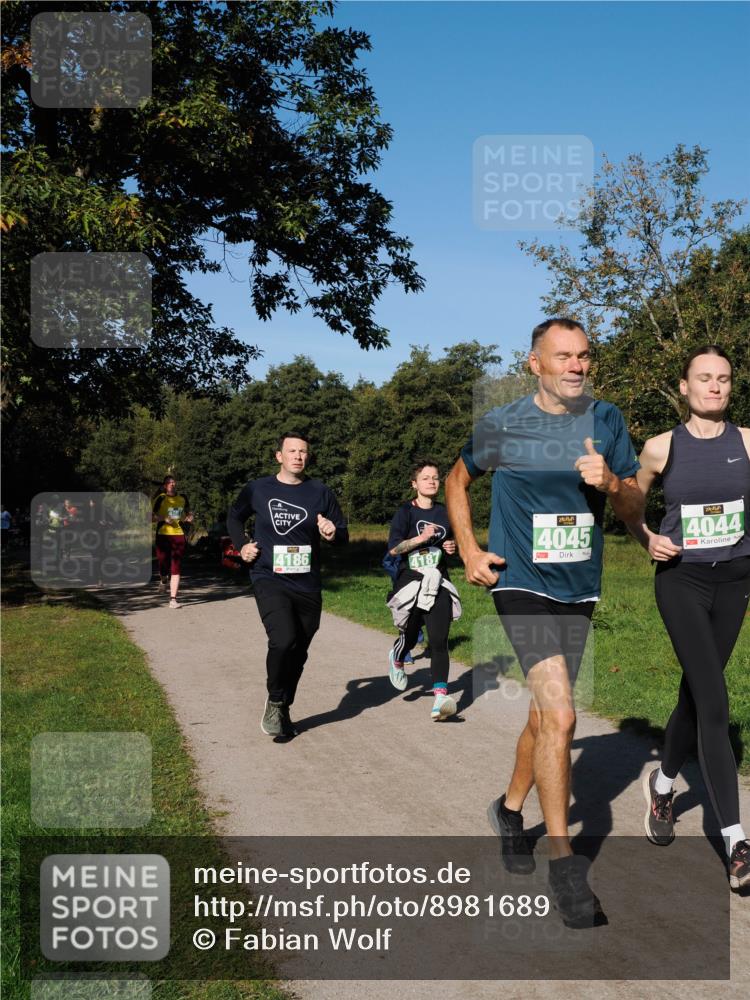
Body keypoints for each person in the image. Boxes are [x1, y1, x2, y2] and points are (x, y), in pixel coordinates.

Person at [446, 317, 643, 928]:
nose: (576, 366)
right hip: (521, 585)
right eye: (563, 357)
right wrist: (472, 550)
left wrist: (611, 482)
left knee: (540, 716)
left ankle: (509, 809)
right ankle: (566, 868)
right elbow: (457, 481)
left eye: (584, 356)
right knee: (561, 713)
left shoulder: (607, 420)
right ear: (535, 363)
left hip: (579, 589)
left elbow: (636, 498)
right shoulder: (504, 424)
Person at [624, 345, 750, 889]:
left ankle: (664, 781)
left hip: (736, 578)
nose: (715, 387)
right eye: (705, 378)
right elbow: (628, 500)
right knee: (716, 700)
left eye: (723, 379)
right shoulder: (659, 447)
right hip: (682, 581)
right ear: (684, 387)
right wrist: (646, 537)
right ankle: (737, 841)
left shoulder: (747, 442)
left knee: (696, 696)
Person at [227, 432, 348, 739]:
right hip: (269, 577)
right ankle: (276, 698)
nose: (298, 456)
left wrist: (332, 532)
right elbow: (234, 517)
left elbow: (342, 533)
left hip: (307, 583)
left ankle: (283, 704)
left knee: (300, 650)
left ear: (308, 457)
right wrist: (242, 546)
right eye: (291, 451)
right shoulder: (258, 489)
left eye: (303, 452)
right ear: (278, 456)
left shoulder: (319, 492)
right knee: (283, 639)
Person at [385, 460, 461, 720]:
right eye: (426, 478)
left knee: (439, 641)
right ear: (414, 484)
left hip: (437, 581)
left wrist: (451, 548)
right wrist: (419, 538)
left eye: (436, 478)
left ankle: (440, 698)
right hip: (411, 582)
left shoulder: (445, 512)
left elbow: (450, 543)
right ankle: (398, 655)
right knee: (411, 633)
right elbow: (394, 550)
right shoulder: (405, 512)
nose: (432, 481)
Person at [152, 475, 193, 608]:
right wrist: (164, 519)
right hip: (163, 534)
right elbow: (150, 517)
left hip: (178, 534)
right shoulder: (161, 498)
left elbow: (189, 512)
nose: (172, 484)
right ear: (165, 486)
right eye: (170, 483)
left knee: (176, 565)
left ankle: (173, 599)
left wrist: (189, 518)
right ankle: (163, 579)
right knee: (162, 561)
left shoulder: (182, 498)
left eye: (174, 482)